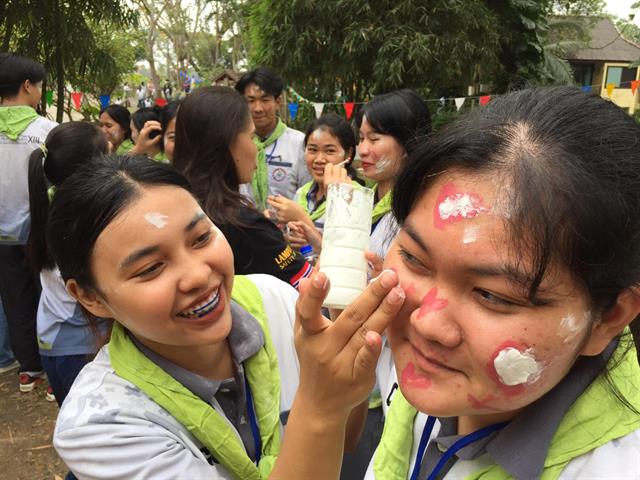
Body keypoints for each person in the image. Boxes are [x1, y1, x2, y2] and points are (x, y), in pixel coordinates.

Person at [48, 154, 405, 479]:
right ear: (90, 297)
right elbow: (326, 420)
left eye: (201, 238)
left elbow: (343, 441)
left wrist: (347, 347)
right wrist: (320, 404)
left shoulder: (275, 301)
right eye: (151, 268)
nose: (199, 276)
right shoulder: (102, 426)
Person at [366, 86, 640, 479]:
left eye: (493, 295)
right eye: (413, 257)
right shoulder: (430, 383)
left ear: (609, 317)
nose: (426, 323)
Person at [173, 86, 312, 289]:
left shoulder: (172, 202)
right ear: (227, 142)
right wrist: (304, 221)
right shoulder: (245, 226)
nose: (256, 147)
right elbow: (313, 287)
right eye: (252, 136)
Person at [26, 122, 111, 407]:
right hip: (83, 345)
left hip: (53, 340)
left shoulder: (50, 204)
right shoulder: (85, 223)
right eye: (109, 153)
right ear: (94, 166)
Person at [0, 52, 56, 392]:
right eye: (39, 86)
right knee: (49, 296)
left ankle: (29, 369)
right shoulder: (47, 131)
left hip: (1, 235)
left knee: (15, 298)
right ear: (26, 86)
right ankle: (53, 369)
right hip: (42, 231)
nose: (40, 92)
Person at [266, 113, 362, 252]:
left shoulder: (354, 197)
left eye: (329, 151)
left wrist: (302, 218)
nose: (319, 159)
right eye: (312, 150)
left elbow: (347, 255)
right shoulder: (302, 193)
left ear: (348, 155)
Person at [355, 89, 431, 262]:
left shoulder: (417, 209)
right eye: (361, 138)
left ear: (408, 143)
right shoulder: (367, 201)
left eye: (374, 139)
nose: (363, 150)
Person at [235, 67, 311, 209]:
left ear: (277, 102)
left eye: (265, 100)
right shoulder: (234, 144)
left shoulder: (299, 143)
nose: (258, 108)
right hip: (244, 227)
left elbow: (309, 193)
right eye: (250, 100)